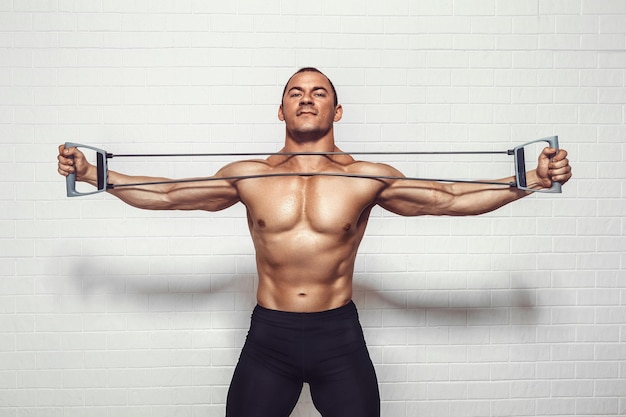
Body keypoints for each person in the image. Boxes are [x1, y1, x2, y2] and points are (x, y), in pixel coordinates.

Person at [57, 67, 572, 417]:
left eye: (319, 92)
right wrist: (96, 174)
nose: (306, 99)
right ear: (280, 110)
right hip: (269, 340)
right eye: (295, 93)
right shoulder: (247, 175)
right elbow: (168, 195)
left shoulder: (367, 176)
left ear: (338, 111)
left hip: (338, 340)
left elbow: (445, 199)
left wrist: (526, 181)